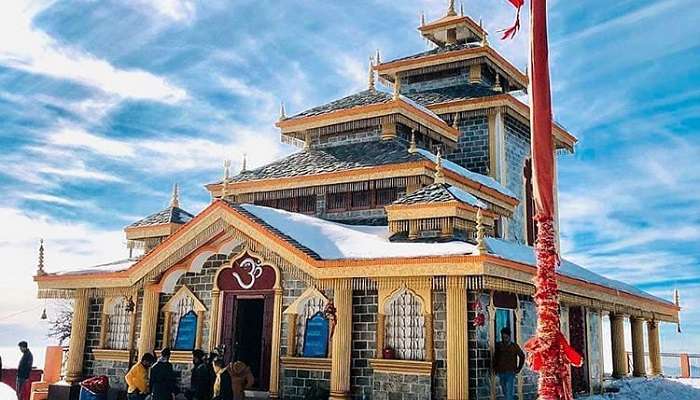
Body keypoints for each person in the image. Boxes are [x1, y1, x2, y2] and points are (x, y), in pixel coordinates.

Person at [493, 327, 525, 400]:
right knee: (505, 392)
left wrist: (519, 368)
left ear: (509, 337)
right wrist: (495, 368)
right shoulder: (499, 346)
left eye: (506, 337)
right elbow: (495, 357)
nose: (504, 339)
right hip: (501, 372)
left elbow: (522, 356)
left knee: (509, 393)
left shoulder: (514, 346)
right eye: (503, 337)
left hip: (510, 372)